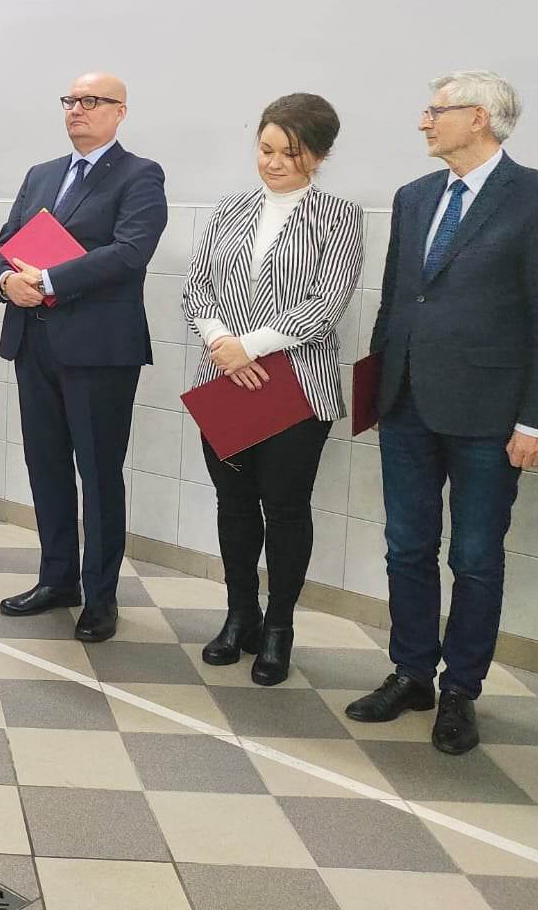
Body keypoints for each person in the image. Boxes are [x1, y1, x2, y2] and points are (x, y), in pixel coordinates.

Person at [346, 71, 538, 754]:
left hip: (490, 414)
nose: (423, 121)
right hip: (406, 402)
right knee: (406, 547)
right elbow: (396, 301)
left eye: (435, 111)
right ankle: (411, 672)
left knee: (474, 557)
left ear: (479, 118)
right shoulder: (414, 197)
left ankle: (460, 690)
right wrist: (377, 393)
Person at [182, 94, 363, 685]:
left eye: (292, 153)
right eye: (266, 149)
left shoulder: (337, 215)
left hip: (296, 387)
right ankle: (241, 615)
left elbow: (327, 303)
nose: (275, 162)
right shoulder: (230, 209)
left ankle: (280, 626)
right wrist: (221, 343)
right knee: (233, 505)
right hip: (223, 382)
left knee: (284, 509)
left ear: (320, 155)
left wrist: (251, 347)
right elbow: (196, 287)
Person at [0, 73, 166, 643]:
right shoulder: (41, 174)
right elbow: (2, 245)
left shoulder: (140, 175)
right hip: (33, 341)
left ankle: (101, 596)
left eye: (91, 101)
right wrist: (6, 283)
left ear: (120, 112)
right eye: (70, 100)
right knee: (45, 466)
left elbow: (130, 252)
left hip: (98, 350)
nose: (77, 110)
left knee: (98, 473)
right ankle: (57, 579)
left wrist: (46, 280)